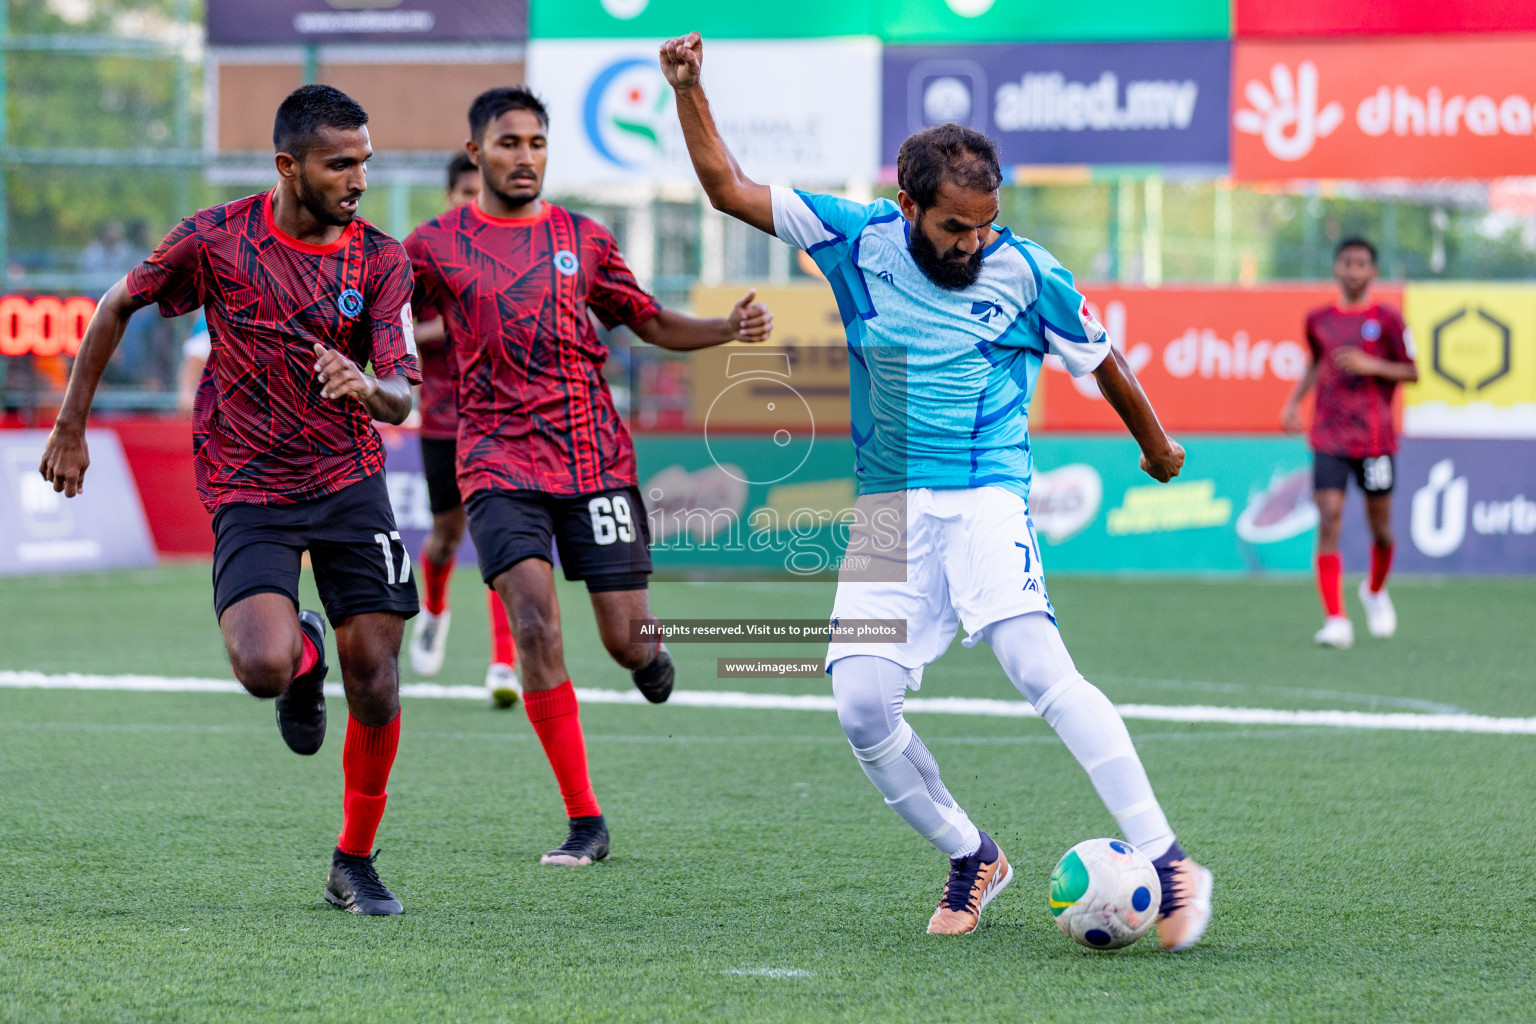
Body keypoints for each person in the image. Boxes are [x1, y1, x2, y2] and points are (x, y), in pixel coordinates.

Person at [660, 32, 1211, 946]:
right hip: (887, 511)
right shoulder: (853, 235)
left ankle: (1166, 857)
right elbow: (726, 186)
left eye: (986, 224)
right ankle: (972, 853)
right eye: (956, 226)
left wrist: (1155, 446)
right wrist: (689, 88)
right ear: (910, 205)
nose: (974, 241)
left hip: (987, 492)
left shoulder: (1027, 270)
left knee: (1038, 666)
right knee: (862, 706)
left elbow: (1102, 359)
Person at [39, 84, 421, 916]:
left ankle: (353, 862)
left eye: (365, 162)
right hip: (248, 480)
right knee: (261, 666)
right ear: (288, 165)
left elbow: (402, 393)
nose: (358, 179)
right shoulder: (216, 239)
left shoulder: (383, 260)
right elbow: (117, 306)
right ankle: (301, 658)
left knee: (380, 681)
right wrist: (71, 426)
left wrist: (368, 386)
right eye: (339, 164)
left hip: (350, 477)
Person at [406, 85, 772, 867]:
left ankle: (648, 654)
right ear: (477, 154)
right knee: (534, 623)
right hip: (495, 461)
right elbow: (375, 311)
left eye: (536, 142)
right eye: (508, 143)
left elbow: (646, 319)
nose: (525, 156)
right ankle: (585, 820)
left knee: (623, 641)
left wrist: (726, 330)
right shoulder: (432, 246)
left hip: (592, 460)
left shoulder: (585, 238)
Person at [407, 152, 522, 701]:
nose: (474, 202)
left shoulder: (509, 254)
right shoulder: (426, 255)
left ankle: (503, 662)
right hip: (441, 420)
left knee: (497, 538)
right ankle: (433, 609)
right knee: (446, 537)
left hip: (496, 421)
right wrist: (447, 327)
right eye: (465, 193)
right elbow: (397, 328)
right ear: (450, 196)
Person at [1282, 238, 1417, 649]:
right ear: (1336, 269)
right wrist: (1293, 402)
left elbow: (1412, 372)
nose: (1354, 270)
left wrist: (1371, 364)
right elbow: (1316, 363)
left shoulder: (1389, 320)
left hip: (1376, 439)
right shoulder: (1318, 319)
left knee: (1382, 531)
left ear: (1374, 271)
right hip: (1329, 435)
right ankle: (1335, 619)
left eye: (1362, 264)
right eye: (1347, 263)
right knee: (1329, 516)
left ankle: (1374, 591)